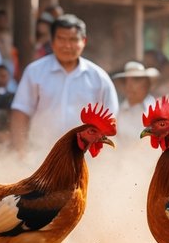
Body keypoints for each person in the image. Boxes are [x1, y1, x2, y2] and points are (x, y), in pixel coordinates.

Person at [10, 14, 118, 153]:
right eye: (61, 39)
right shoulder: (34, 71)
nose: (67, 45)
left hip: (86, 159)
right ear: (52, 41)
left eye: (73, 39)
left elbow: (111, 120)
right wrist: (21, 152)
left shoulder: (99, 77)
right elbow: (21, 113)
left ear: (83, 41)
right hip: (40, 156)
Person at [111, 61, 159, 139]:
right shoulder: (117, 110)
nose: (129, 85)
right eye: (125, 81)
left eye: (136, 80)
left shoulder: (157, 109)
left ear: (147, 84)